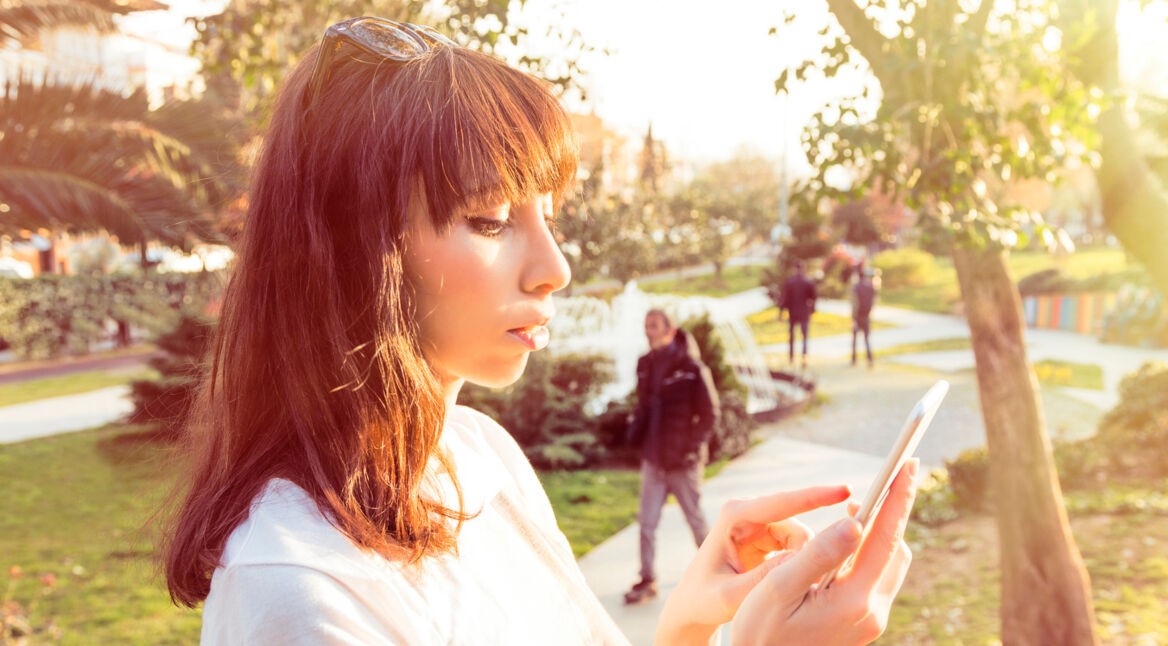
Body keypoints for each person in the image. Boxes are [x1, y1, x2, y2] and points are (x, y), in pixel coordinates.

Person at [163, 16, 920, 645]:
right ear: (355, 249)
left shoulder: (480, 459)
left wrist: (692, 617)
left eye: (547, 218)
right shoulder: (299, 592)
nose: (553, 266)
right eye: (491, 219)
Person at [623, 309, 720, 604]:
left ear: (669, 329)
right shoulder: (645, 365)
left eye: (653, 326)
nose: (647, 331)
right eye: (645, 325)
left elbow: (710, 415)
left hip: (683, 462)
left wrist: (690, 449)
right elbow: (643, 406)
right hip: (654, 459)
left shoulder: (691, 368)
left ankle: (714, 573)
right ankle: (647, 579)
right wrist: (633, 433)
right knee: (647, 523)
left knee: (695, 519)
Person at [781, 261, 818, 366]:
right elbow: (814, 297)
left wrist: (782, 311)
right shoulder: (807, 281)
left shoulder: (790, 282)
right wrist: (812, 310)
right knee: (804, 335)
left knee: (792, 336)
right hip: (804, 313)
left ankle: (791, 357)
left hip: (793, 312)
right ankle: (804, 356)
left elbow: (785, 299)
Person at [851, 267, 878, 368]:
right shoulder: (871, 287)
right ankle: (869, 358)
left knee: (854, 339)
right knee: (867, 339)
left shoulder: (856, 287)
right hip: (866, 316)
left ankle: (854, 358)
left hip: (858, 316)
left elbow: (855, 304)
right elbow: (874, 301)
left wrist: (853, 317)